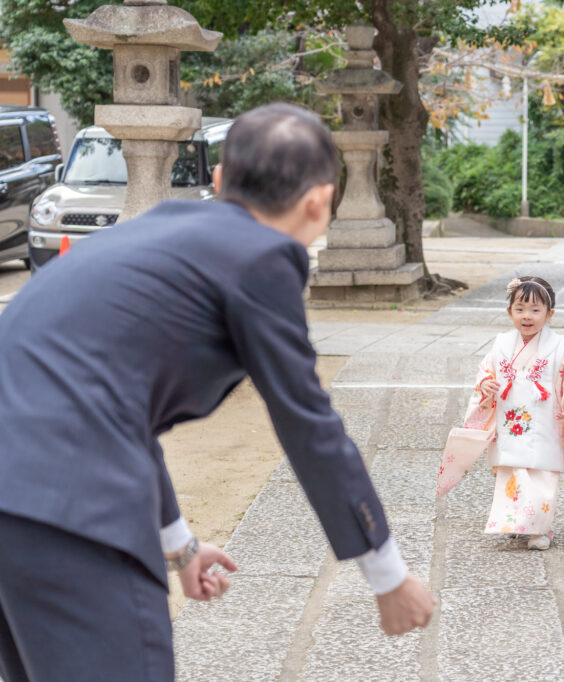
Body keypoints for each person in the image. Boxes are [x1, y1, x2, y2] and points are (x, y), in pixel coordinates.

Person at [0, 103, 435, 682]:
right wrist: (388, 575)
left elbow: (105, 404)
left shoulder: (152, 234)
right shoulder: (261, 255)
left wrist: (180, 547)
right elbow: (309, 422)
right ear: (319, 202)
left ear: (220, 180)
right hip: (66, 508)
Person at [436, 276, 564, 550]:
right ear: (509, 312)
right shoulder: (500, 345)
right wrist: (486, 383)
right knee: (512, 473)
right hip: (510, 422)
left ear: (549, 313)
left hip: (545, 421)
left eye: (535, 310)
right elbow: (485, 371)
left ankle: (539, 530)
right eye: (520, 309)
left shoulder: (559, 348)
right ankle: (516, 522)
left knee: (542, 476)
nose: (527, 316)